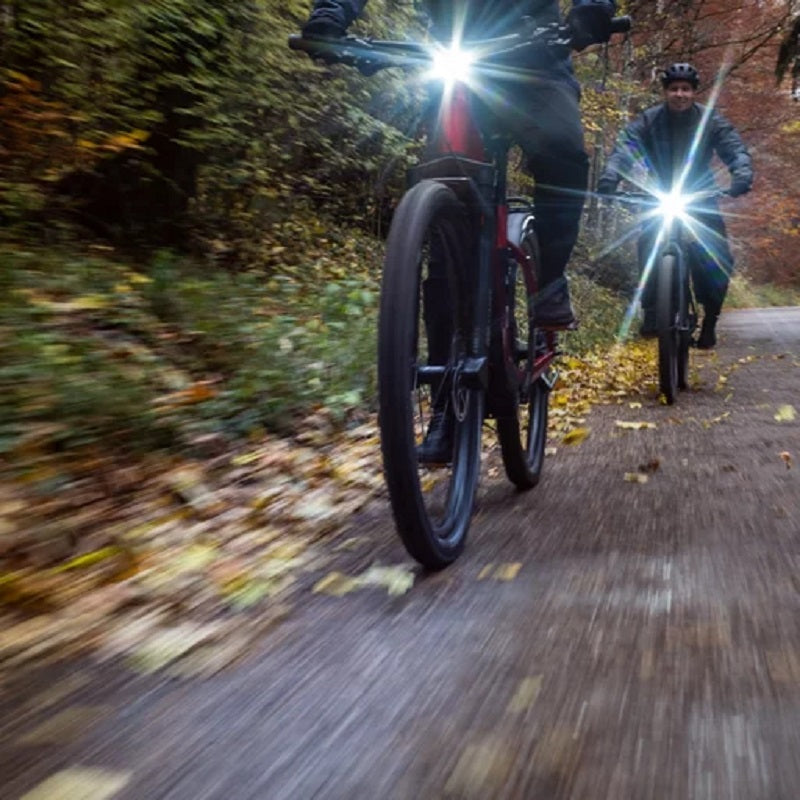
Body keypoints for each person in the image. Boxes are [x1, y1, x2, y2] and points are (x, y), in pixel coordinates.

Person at [301, 0, 616, 460]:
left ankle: (549, 280)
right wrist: (332, 17)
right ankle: (449, 402)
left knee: (564, 151)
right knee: (446, 233)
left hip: (536, 62)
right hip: (458, 63)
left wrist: (592, 11)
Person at [597, 62, 753, 349]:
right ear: (665, 92)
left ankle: (710, 317)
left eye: (685, 89)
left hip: (700, 194)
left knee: (715, 254)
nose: (679, 94)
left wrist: (741, 177)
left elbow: (734, 149)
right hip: (660, 192)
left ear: (694, 92)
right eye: (673, 89)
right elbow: (625, 149)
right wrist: (610, 179)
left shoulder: (711, 121)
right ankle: (653, 310)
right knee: (648, 240)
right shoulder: (649, 120)